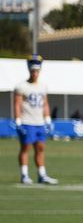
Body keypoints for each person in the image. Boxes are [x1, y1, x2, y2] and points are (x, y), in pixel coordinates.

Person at [14, 54, 58, 185]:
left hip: (39, 123)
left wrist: (48, 119)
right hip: (27, 122)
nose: (35, 73)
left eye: (37, 71)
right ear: (29, 70)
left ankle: (42, 175)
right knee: (25, 148)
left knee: (40, 148)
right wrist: (18, 121)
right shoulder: (21, 86)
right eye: (33, 71)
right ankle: (24, 175)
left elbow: (45, 103)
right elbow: (17, 104)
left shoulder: (43, 86)